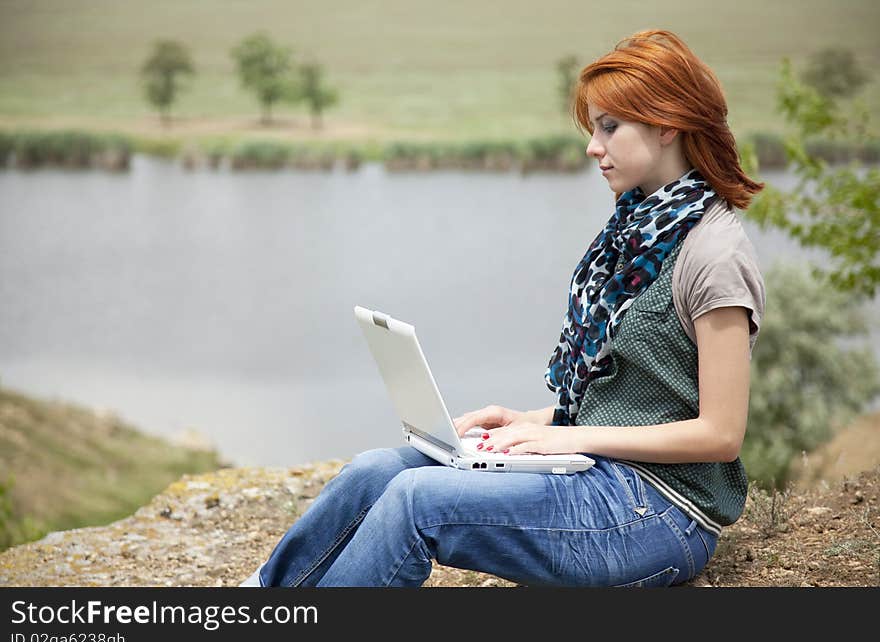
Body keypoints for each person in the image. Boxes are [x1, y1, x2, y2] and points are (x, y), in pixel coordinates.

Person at [240, 28, 766, 588]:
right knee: (375, 472)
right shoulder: (636, 229)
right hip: (595, 471)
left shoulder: (714, 254)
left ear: (667, 124)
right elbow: (632, 398)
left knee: (417, 503)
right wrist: (533, 422)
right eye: (593, 129)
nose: (593, 146)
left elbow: (719, 434)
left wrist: (568, 437)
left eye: (610, 128)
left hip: (660, 513)